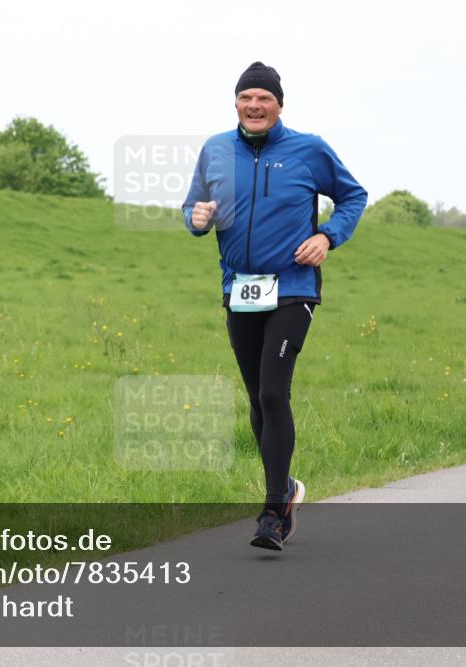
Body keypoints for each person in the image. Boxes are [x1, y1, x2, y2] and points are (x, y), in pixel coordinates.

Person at [183, 62, 367, 550]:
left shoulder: (309, 149)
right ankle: (285, 488)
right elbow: (193, 206)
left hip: (293, 286)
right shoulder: (215, 150)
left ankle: (272, 513)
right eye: (246, 97)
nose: (254, 105)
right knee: (256, 399)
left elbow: (353, 196)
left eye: (264, 98)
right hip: (240, 289)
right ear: (236, 103)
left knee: (272, 393)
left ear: (279, 105)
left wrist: (327, 236)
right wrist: (196, 218)